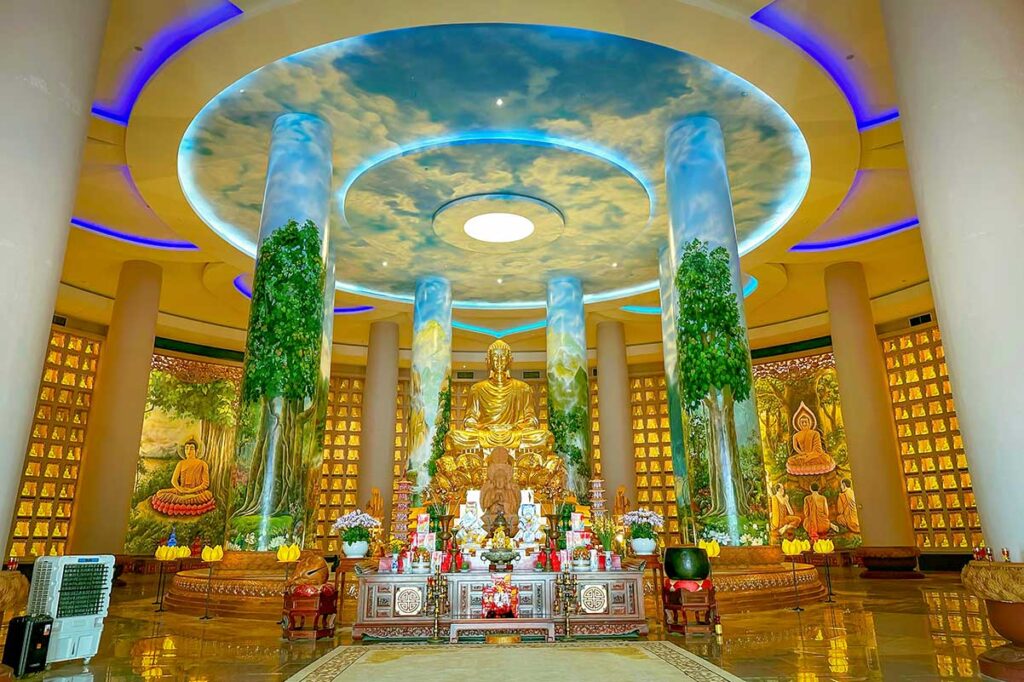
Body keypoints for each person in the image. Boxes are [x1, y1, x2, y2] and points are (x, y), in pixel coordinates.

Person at [150, 438, 215, 516]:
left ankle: (185, 500)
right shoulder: (181, 463)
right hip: (181, 491)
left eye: (191, 448)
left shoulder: (202, 464)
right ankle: (186, 500)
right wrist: (180, 489)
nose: (189, 451)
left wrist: (192, 490)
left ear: (196, 451)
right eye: (186, 448)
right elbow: (174, 481)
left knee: (208, 494)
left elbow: (205, 484)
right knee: (160, 493)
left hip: (196, 493)